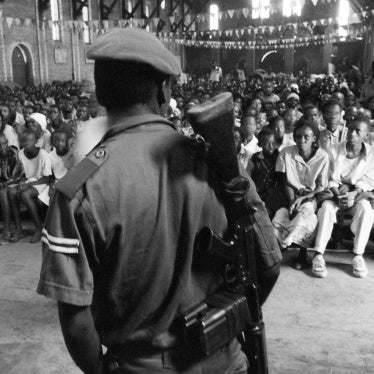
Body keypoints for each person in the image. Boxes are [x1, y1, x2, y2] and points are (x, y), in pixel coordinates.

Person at [37, 28, 281, 374]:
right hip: (225, 361)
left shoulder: (79, 190)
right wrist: (228, 323)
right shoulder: (220, 162)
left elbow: (76, 324)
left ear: (102, 93)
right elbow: (269, 264)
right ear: (165, 89)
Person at [312, 119, 374, 279]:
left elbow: (367, 181)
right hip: (334, 194)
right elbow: (328, 177)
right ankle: (318, 254)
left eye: (358, 131)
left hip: (356, 195)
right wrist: (338, 194)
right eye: (350, 129)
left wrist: (353, 195)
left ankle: (358, 255)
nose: (352, 134)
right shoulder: (332, 150)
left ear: (366, 135)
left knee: (366, 210)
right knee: (325, 208)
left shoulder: (372, 154)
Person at [272, 119, 329, 269]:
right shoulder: (286, 152)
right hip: (287, 194)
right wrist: (292, 201)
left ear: (314, 139)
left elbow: (320, 187)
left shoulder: (323, 157)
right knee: (281, 216)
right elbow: (284, 180)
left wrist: (304, 198)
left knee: (306, 214)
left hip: (310, 197)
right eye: (297, 136)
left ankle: (302, 254)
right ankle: (277, 251)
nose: (301, 140)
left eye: (306, 137)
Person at [8, 129, 52, 243]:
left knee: (25, 195)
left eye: (29, 141)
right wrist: (22, 182)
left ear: (35, 141)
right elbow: (22, 173)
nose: (25, 144)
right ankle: (19, 229)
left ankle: (38, 228)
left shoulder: (43, 155)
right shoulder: (21, 153)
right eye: (23, 142)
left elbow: (47, 178)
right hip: (29, 180)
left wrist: (29, 185)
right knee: (12, 193)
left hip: (41, 182)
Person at [247, 127, 287, 218]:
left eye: (273, 143)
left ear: (277, 144)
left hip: (274, 197)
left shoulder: (281, 158)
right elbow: (248, 177)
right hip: (256, 194)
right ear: (260, 144)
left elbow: (283, 181)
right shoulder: (255, 159)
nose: (270, 146)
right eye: (266, 143)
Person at [0, 132, 23, 245]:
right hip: (4, 186)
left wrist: (4, 184)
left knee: (5, 193)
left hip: (17, 182)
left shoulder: (13, 152)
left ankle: (7, 228)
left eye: (4, 143)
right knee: (3, 192)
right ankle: (7, 228)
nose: (2, 147)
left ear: (7, 143)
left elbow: (16, 174)